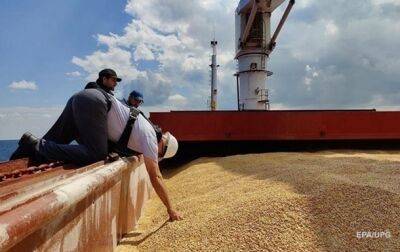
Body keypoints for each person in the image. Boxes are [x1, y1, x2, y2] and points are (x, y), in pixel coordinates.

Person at [10, 69, 120, 165]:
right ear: (104, 79)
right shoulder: (100, 94)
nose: (115, 83)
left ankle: (26, 150)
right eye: (113, 80)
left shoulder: (91, 90)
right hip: (87, 108)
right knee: (97, 153)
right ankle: (35, 145)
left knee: (56, 137)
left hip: (75, 101)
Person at [107, 95, 183, 221]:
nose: (156, 156)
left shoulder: (147, 132)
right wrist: (171, 209)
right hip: (98, 106)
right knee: (93, 153)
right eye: (159, 155)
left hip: (101, 103)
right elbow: (156, 176)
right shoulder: (151, 139)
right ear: (163, 147)